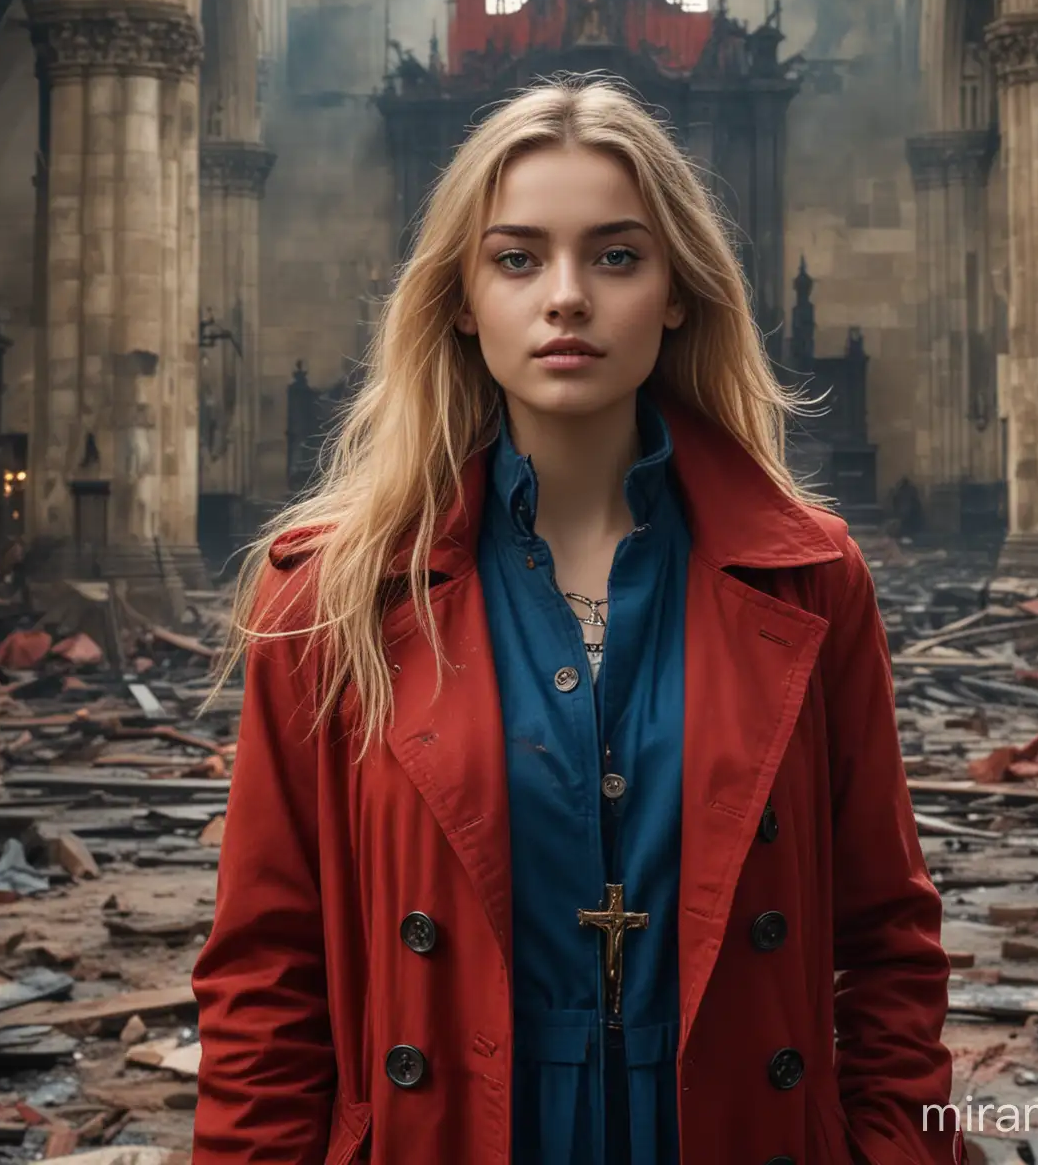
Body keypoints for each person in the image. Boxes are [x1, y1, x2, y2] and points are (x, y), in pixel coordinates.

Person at [191, 77, 960, 1165]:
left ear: (678, 292)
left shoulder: (809, 580)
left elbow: (887, 940)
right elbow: (265, 975)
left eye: (615, 256)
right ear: (461, 297)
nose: (566, 298)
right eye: (517, 259)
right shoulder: (330, 595)